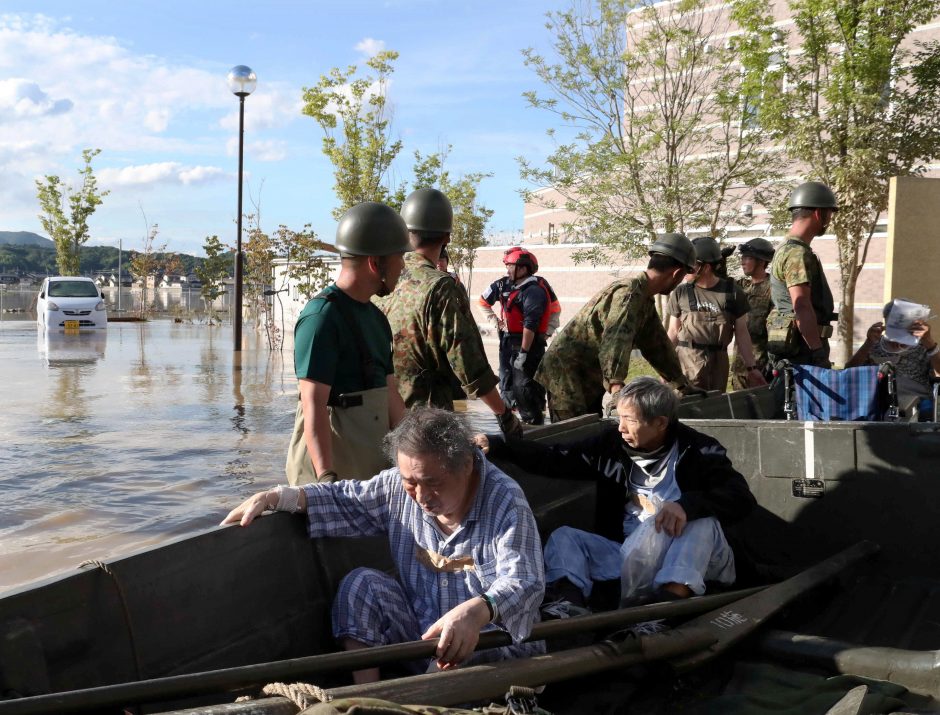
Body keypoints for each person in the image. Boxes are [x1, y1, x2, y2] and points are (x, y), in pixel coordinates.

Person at [223, 408, 545, 681]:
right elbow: (344, 499)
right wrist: (277, 497)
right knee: (360, 585)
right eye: (410, 484)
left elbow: (525, 581)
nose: (420, 497)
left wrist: (478, 611)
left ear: (467, 465)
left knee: (464, 653)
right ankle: (371, 697)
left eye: (432, 483)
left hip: (492, 648)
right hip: (421, 636)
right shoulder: (396, 488)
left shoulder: (505, 501)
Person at [481, 377, 756, 608]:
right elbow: (557, 456)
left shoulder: (699, 451)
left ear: (660, 423)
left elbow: (740, 496)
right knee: (565, 537)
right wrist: (499, 446)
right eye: (619, 417)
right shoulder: (611, 445)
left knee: (701, 523)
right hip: (631, 555)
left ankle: (666, 609)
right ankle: (568, 606)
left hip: (690, 560)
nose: (621, 427)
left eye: (630, 420)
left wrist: (687, 505)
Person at [378, 188, 523, 438]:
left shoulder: (381, 281)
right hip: (426, 425)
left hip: (381, 418)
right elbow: (470, 364)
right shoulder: (441, 287)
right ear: (447, 237)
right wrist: (504, 415)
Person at [285, 202, 409, 486]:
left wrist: (419, 449)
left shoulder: (377, 319)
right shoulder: (321, 318)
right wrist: (326, 479)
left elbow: (390, 396)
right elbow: (313, 405)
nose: (402, 266)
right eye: (399, 257)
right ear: (375, 263)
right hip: (332, 472)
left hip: (368, 469)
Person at [535, 233, 700, 422]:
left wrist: (681, 384)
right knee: (573, 436)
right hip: (566, 373)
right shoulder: (628, 295)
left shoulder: (643, 299)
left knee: (590, 435)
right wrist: (616, 388)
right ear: (677, 273)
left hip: (587, 375)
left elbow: (657, 346)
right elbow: (615, 339)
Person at [666, 236, 766, 393]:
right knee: (684, 410)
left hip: (718, 366)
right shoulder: (681, 293)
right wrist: (664, 370)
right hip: (687, 364)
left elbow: (742, 333)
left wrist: (751, 368)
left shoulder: (732, 292)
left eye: (692, 265)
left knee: (715, 408)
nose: (686, 269)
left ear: (706, 268)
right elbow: (672, 333)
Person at [477, 247, 561, 425]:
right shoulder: (502, 284)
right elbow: (482, 301)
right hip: (507, 341)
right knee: (506, 384)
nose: (507, 269)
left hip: (529, 345)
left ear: (523, 268)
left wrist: (527, 349)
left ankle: (533, 423)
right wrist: (496, 322)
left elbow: (532, 323)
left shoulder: (535, 290)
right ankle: (510, 424)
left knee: (525, 387)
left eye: (510, 265)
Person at [766, 181, 839, 368]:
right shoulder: (797, 253)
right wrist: (817, 352)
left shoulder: (786, 248)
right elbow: (802, 306)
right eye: (829, 213)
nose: (830, 219)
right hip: (802, 353)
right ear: (817, 213)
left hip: (797, 349)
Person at [846, 300, 940, 419]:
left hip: (917, 403)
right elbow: (848, 372)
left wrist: (929, 343)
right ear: (886, 322)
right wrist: (868, 343)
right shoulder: (874, 344)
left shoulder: (923, 346)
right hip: (879, 403)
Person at [730, 238, 775, 390]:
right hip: (739, 368)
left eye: (747, 257)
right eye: (742, 257)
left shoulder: (774, 288)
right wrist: (719, 262)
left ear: (762, 262)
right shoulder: (742, 286)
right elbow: (718, 284)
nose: (742, 262)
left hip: (761, 368)